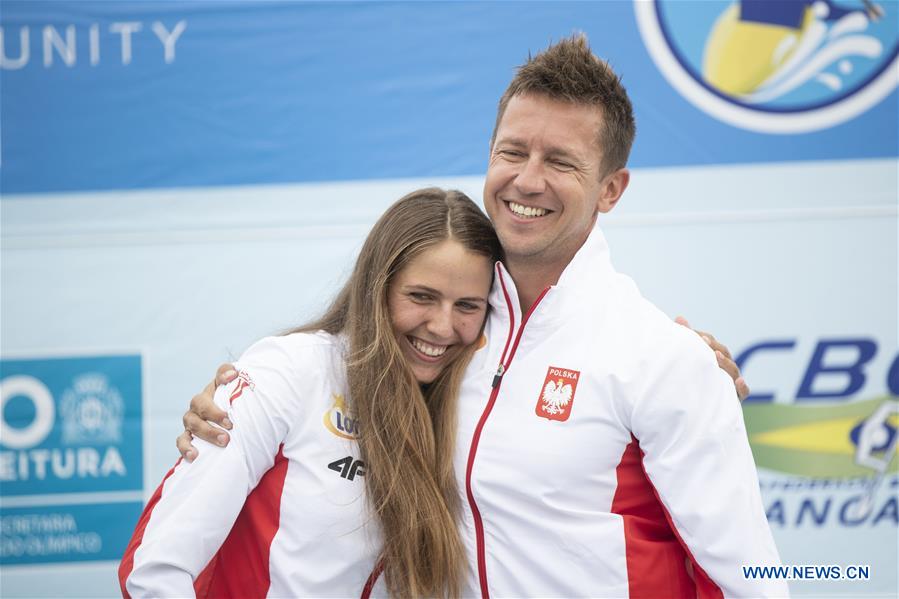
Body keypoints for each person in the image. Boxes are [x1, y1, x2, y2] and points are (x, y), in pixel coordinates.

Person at [177, 35, 787, 597]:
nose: (528, 179)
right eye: (512, 151)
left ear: (611, 189)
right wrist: (236, 404)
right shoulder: (445, 335)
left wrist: (696, 373)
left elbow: (752, 575)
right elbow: (324, 382)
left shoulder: (660, 358)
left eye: (562, 162)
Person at [119, 188, 502, 598]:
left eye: (467, 306)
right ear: (377, 288)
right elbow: (153, 569)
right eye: (421, 297)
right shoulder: (292, 371)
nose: (443, 328)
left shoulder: (475, 398)